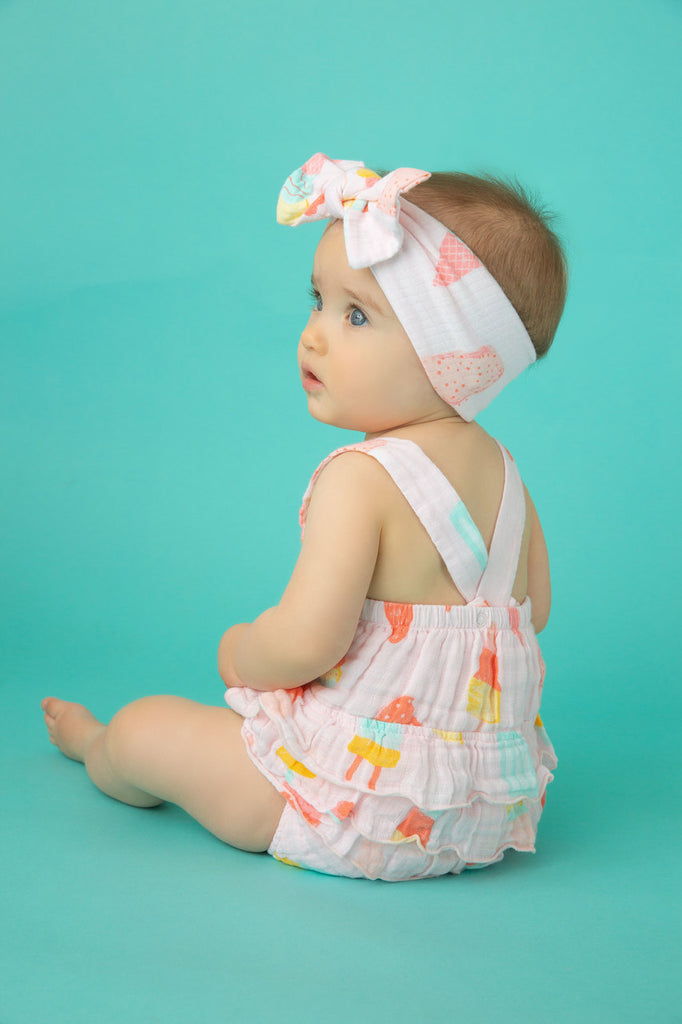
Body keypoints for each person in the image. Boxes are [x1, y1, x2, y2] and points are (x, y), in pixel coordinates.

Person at [42, 153, 567, 881]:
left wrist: (241, 652)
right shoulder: (506, 475)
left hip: (339, 810)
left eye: (356, 315)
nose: (313, 334)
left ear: (449, 356)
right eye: (317, 301)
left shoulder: (362, 477)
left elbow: (307, 642)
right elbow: (533, 609)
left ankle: (99, 748)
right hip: (475, 818)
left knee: (145, 729)